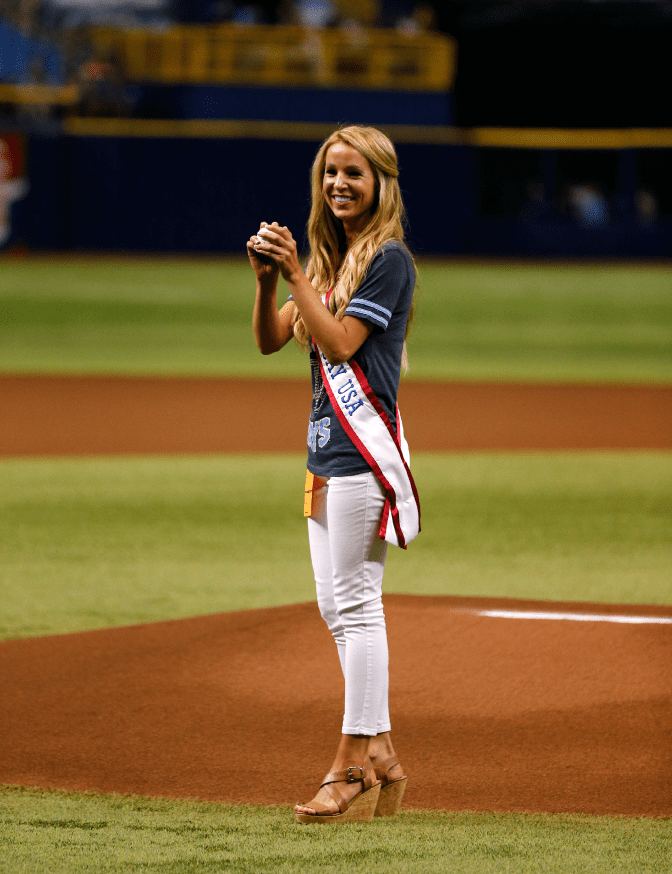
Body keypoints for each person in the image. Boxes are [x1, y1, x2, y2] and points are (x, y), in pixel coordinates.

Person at [246, 125, 420, 824]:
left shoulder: (389, 261)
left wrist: (294, 274)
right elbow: (268, 338)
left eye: (353, 172)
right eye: (329, 173)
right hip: (324, 454)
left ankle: (349, 767)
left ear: (382, 182)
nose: (338, 184)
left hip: (361, 454)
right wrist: (268, 284)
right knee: (336, 608)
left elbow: (344, 344)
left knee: (356, 603)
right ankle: (382, 754)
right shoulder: (329, 263)